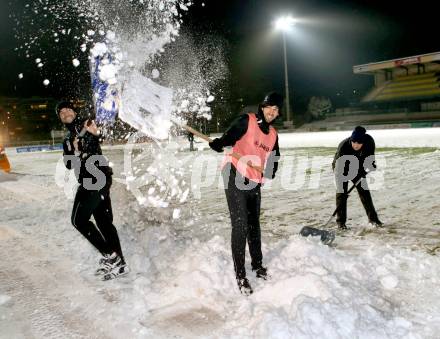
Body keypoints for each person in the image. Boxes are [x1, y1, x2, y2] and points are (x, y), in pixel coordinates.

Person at [209, 92, 282, 295]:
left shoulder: (273, 134)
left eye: (276, 110)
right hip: (234, 171)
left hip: (254, 179)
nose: (272, 112)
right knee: (240, 224)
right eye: (270, 107)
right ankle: (240, 275)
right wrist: (219, 143)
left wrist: (271, 170)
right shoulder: (247, 120)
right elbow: (229, 137)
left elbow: (275, 156)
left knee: (253, 223)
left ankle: (257, 265)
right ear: (262, 106)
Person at [56, 101, 128, 280]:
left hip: (97, 178)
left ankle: (110, 255)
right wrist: (73, 149)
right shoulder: (67, 139)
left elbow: (98, 136)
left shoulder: (86, 124)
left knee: (78, 220)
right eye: (61, 113)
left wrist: (94, 134)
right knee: (104, 223)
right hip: (90, 180)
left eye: (67, 110)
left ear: (74, 111)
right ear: (60, 118)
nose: (65, 113)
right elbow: (69, 164)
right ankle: (120, 265)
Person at [332, 126, 383, 230]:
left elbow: (370, 158)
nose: (356, 145)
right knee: (342, 194)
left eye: (359, 143)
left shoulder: (369, 142)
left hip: (358, 168)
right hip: (341, 168)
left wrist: (370, 164)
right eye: (354, 142)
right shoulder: (343, 146)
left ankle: (373, 219)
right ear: (351, 140)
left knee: (365, 192)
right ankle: (341, 223)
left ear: (363, 142)